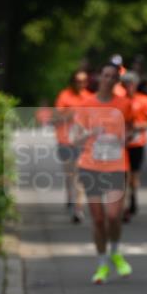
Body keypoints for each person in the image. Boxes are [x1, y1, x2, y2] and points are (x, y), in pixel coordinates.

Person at [71, 63, 134, 283]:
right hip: (91, 166)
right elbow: (74, 138)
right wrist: (91, 132)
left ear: (117, 81)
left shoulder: (124, 104)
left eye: (112, 77)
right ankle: (102, 265)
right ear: (99, 78)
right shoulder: (86, 104)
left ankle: (115, 251)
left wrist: (125, 137)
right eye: (104, 75)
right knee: (98, 219)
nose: (107, 80)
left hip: (116, 166)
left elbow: (132, 129)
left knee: (114, 215)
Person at [53, 69, 93, 222]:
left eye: (83, 81)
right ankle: (70, 196)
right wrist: (70, 114)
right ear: (73, 81)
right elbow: (55, 117)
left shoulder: (90, 97)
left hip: (82, 141)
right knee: (70, 173)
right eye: (78, 81)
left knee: (79, 174)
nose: (80, 84)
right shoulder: (64, 96)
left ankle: (78, 208)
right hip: (65, 140)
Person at [121, 70, 147, 220]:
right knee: (123, 175)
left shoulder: (144, 100)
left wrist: (139, 125)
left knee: (134, 175)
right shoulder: (118, 100)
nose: (129, 87)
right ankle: (124, 206)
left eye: (131, 84)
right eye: (126, 84)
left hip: (137, 142)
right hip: (121, 142)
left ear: (136, 85)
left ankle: (133, 196)